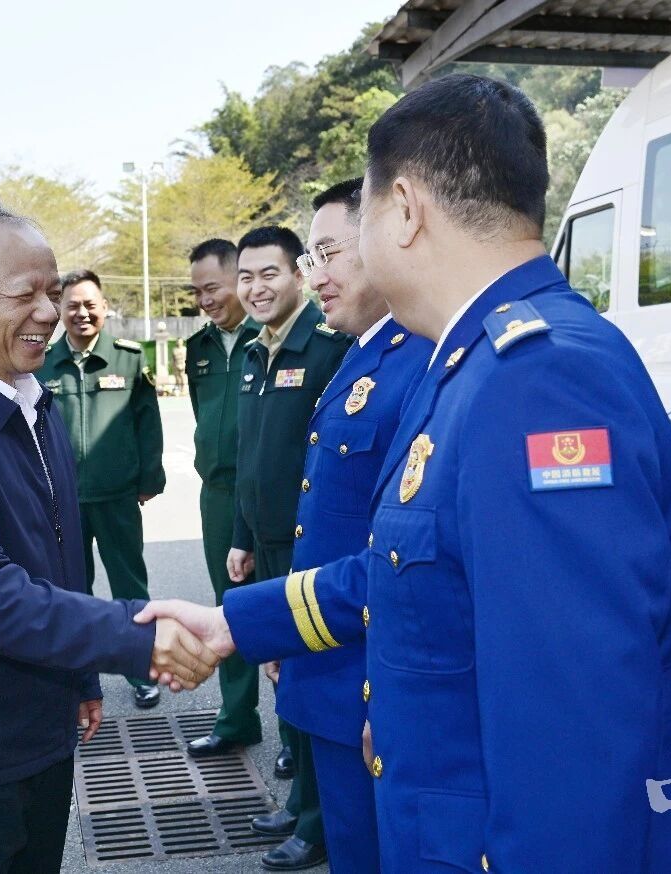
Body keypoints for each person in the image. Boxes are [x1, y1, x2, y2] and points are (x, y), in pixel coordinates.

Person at [137, 74, 671, 873]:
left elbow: (571, 737)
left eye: (356, 226)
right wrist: (235, 623)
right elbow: (410, 568)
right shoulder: (469, 361)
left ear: (404, 209)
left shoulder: (541, 380)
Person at [0, 202, 217, 874]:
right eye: (23, 294)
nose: (47, 312)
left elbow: (58, 561)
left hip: (42, 730)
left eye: (52, 291)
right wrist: (135, 639)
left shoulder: (34, 400)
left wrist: (79, 677)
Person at [263, 178, 431, 872]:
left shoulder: (419, 359)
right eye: (311, 258)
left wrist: (391, 698)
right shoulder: (362, 352)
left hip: (369, 682)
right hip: (329, 659)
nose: (317, 276)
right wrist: (288, 628)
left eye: (329, 254)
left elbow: (407, 557)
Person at [229, 225, 351, 871]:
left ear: (299, 275)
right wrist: (241, 537)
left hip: (310, 550)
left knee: (312, 683)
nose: (256, 288)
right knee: (288, 684)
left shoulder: (326, 348)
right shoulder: (255, 352)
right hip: (267, 544)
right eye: (245, 276)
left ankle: (318, 820)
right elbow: (248, 456)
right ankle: (301, 798)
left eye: (269, 273)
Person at [37, 270, 166, 709]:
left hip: (116, 495)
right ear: (60, 310)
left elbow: (148, 423)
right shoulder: (42, 363)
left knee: (130, 586)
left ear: (105, 308)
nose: (82, 313)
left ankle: (141, 670)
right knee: (72, 592)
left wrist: (149, 479)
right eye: (72, 305)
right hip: (62, 500)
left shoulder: (128, 359)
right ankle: (80, 678)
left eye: (90, 304)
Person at [181, 239, 264, 759]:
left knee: (283, 605)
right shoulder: (198, 348)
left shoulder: (272, 336)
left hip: (267, 492)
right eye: (197, 292)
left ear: (239, 278)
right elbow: (202, 414)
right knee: (229, 607)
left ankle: (295, 737)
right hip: (217, 493)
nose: (205, 300)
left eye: (212, 287)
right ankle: (237, 718)